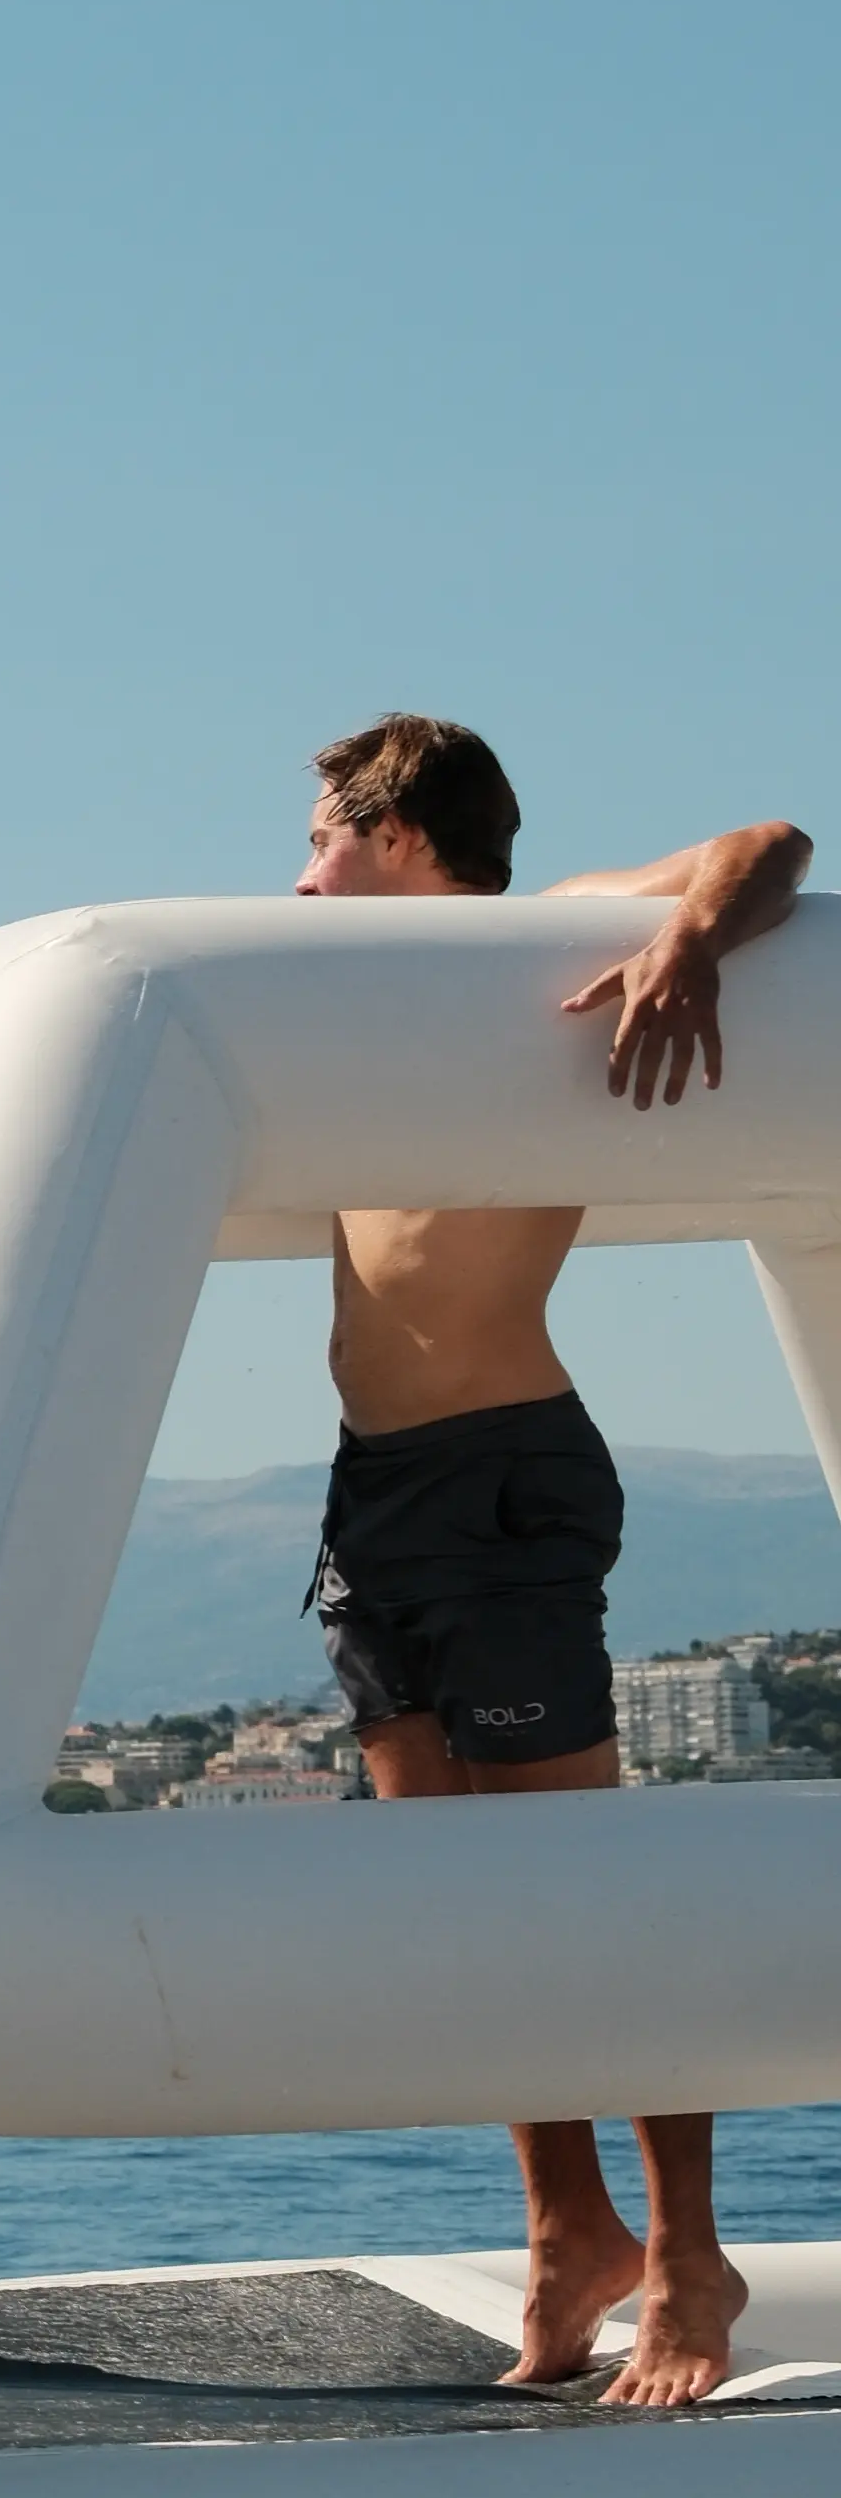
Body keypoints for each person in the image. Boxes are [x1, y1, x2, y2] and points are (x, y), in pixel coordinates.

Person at [295, 713, 812, 2406]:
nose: (300, 868)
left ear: (400, 830)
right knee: (454, 1911)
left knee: (578, 1889)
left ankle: (686, 2249)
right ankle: (561, 2227)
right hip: (371, 1495)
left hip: (505, 1473)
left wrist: (680, 937)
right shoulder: (326, 999)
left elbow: (767, 842)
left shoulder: (545, 923)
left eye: (322, 833)